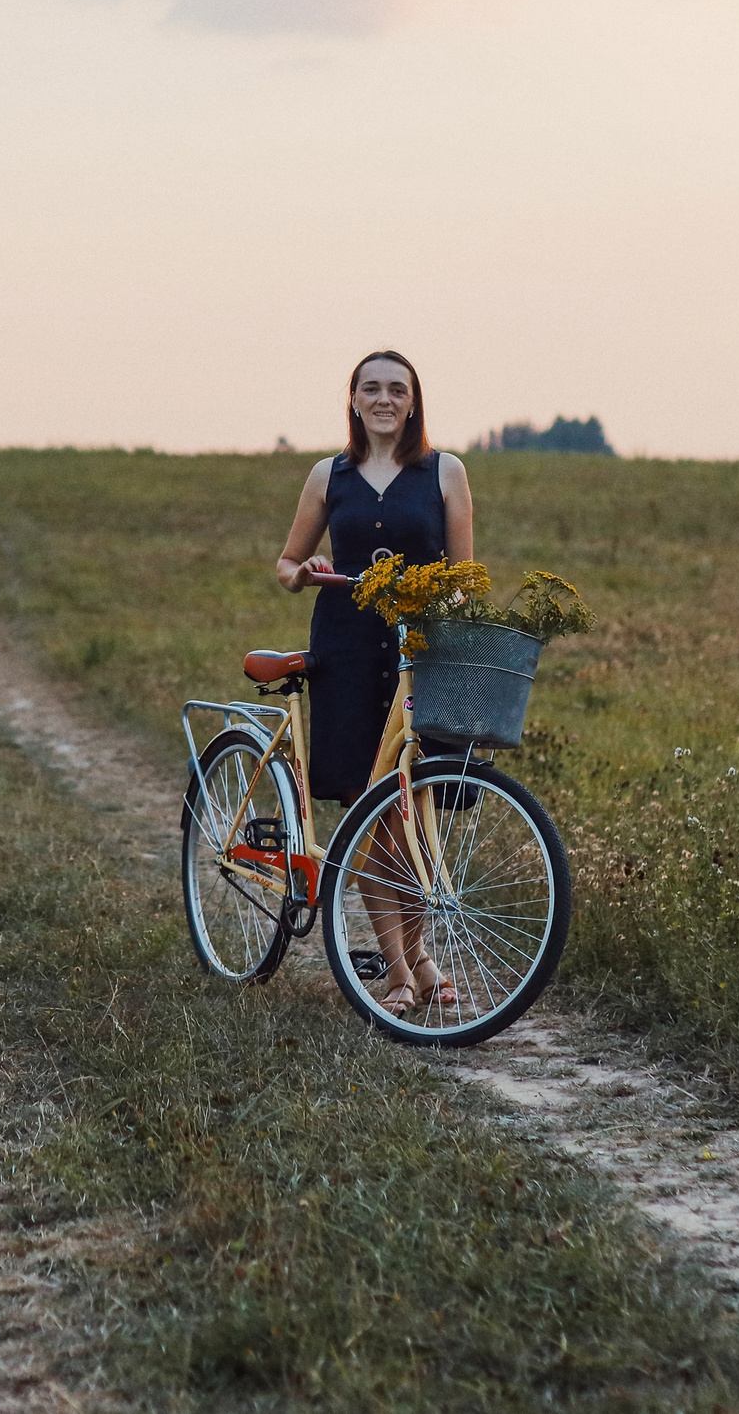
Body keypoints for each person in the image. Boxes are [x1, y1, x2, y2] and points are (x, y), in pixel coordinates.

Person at [274, 349, 476, 1016]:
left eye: (397, 388)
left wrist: (447, 605)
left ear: (413, 401)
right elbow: (286, 562)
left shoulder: (446, 471)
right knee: (372, 808)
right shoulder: (326, 475)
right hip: (348, 651)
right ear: (354, 400)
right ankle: (401, 966)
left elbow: (464, 577)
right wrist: (307, 569)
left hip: (420, 655)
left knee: (408, 811)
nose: (384, 398)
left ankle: (415, 956)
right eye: (371, 388)